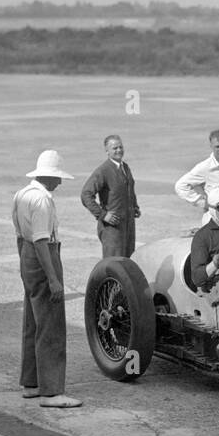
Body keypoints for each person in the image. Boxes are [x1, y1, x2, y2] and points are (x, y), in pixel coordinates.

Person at [13, 151, 81, 408]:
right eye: (58, 178)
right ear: (49, 176)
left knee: (32, 322)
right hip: (44, 257)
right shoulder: (41, 200)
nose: (60, 183)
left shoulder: (22, 194)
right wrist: (53, 278)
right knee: (51, 325)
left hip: (26, 256)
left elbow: (21, 235)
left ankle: (31, 383)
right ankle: (51, 391)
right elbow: (41, 240)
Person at [80, 134, 141, 257]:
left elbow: (129, 190)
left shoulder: (125, 167)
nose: (119, 150)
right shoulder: (103, 170)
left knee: (127, 261)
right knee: (113, 263)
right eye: (114, 148)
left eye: (120, 147)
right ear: (107, 151)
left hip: (128, 225)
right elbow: (86, 194)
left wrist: (135, 207)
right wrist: (102, 215)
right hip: (112, 228)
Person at [175, 129, 219, 223]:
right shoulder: (204, 167)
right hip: (213, 221)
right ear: (211, 147)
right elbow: (180, 186)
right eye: (217, 147)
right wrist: (203, 203)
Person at [189, 186, 219, 293]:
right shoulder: (203, 236)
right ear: (212, 209)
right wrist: (216, 262)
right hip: (217, 291)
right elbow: (197, 279)